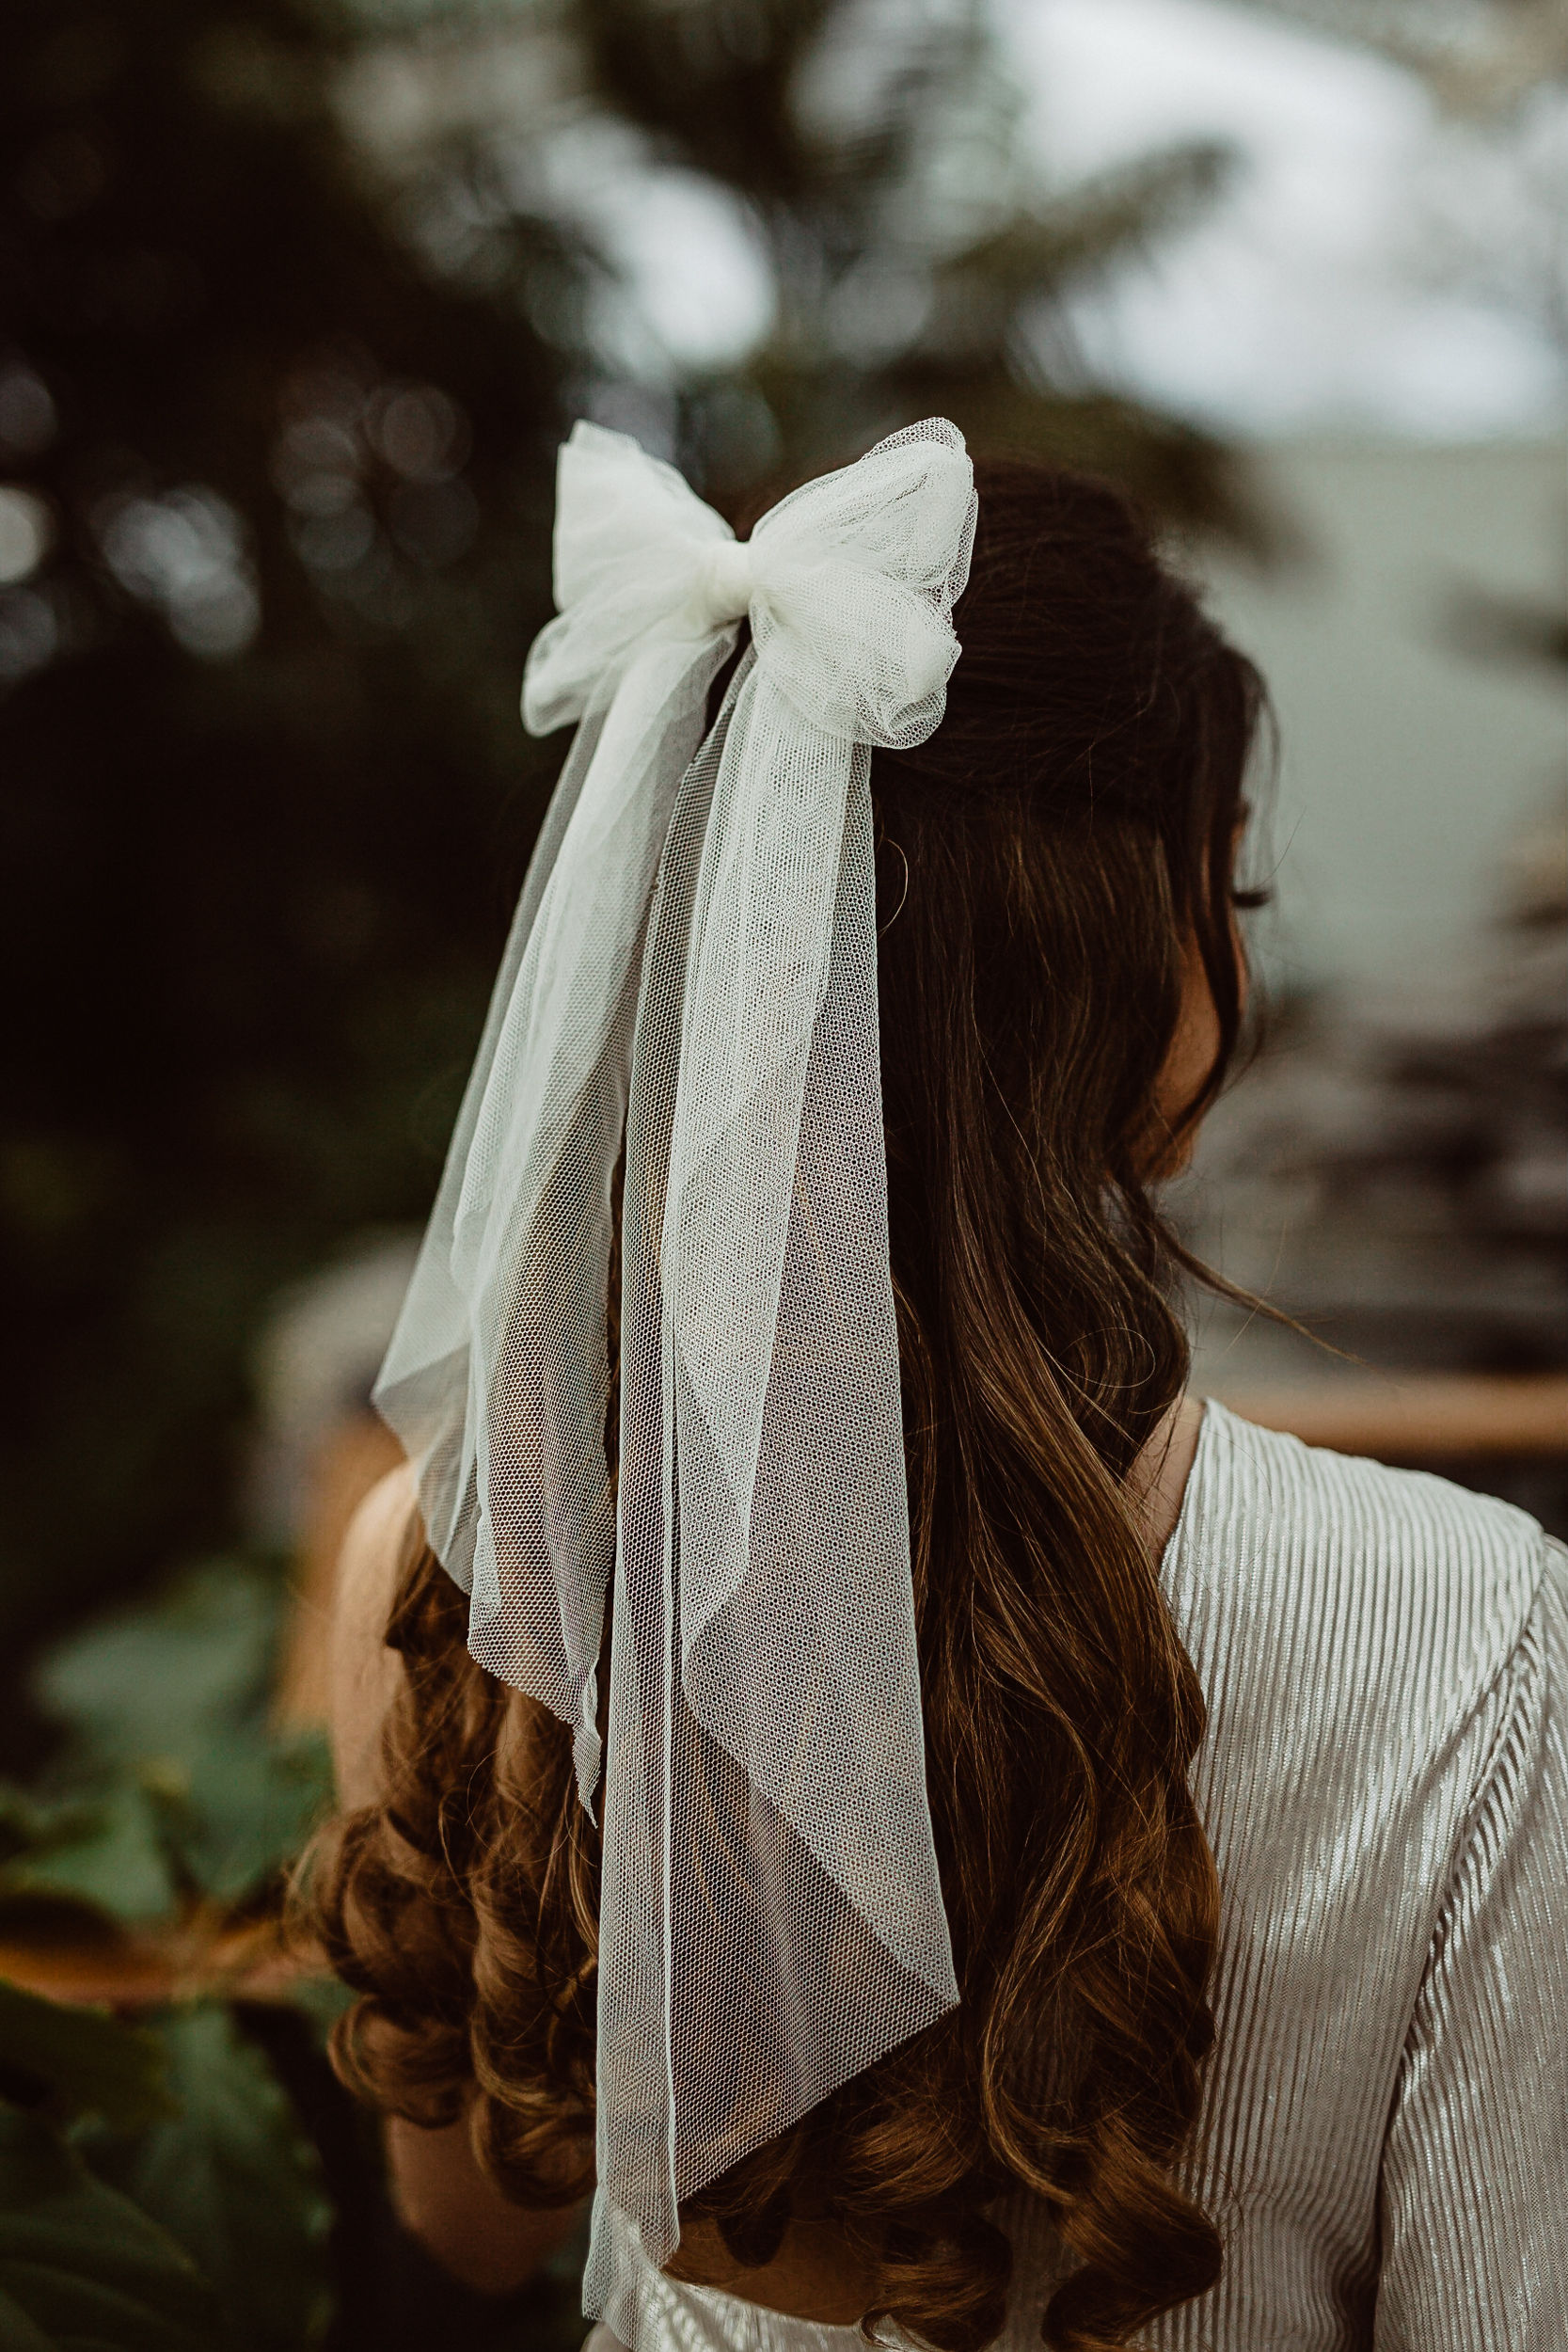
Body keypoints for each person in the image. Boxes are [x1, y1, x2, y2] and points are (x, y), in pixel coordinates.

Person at [309, 423, 1568, 2352]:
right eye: (1224, 904)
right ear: (1137, 971)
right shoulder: (1479, 1637)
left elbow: (477, 2218)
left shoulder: (461, 1547)